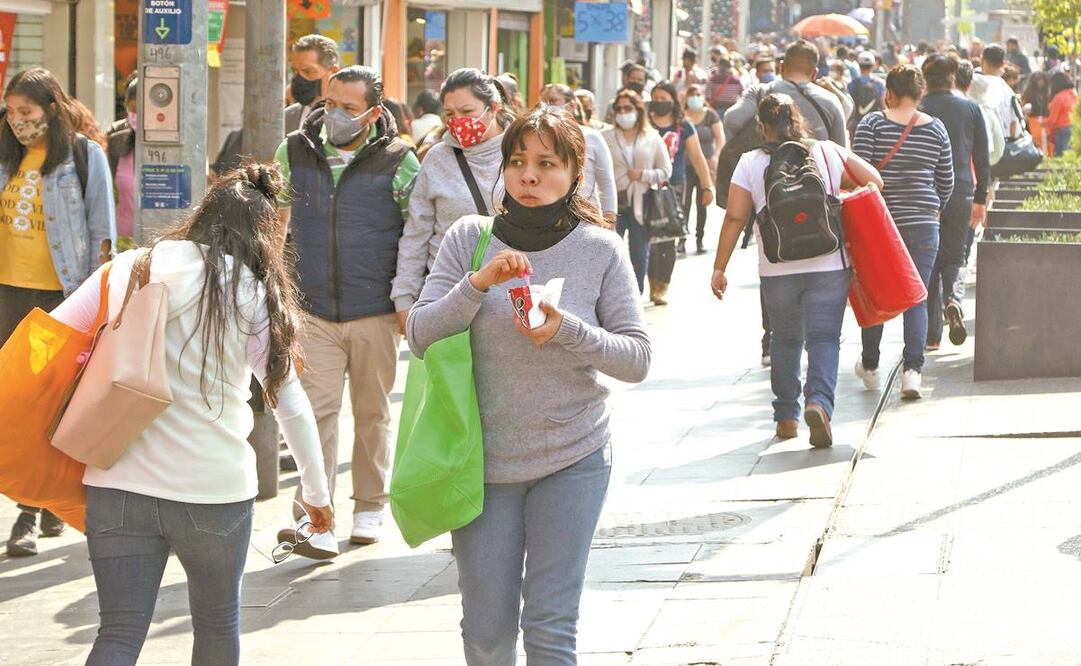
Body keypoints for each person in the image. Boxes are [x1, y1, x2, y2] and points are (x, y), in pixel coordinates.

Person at [56, 165, 333, 665]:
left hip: (118, 481)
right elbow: (289, 400)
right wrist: (316, 494)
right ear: (263, 235)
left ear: (203, 214)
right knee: (216, 625)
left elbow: (54, 337)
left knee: (117, 633)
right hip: (213, 491)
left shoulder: (129, 268)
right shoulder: (250, 291)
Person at [408, 107, 651, 665]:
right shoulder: (470, 238)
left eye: (546, 163)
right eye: (517, 162)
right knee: (487, 632)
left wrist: (566, 329)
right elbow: (419, 334)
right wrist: (476, 284)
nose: (529, 176)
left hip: (573, 456)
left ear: (575, 172)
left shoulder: (600, 249)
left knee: (550, 625)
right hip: (481, 461)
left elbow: (637, 359)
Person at [273, 65, 420, 556]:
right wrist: (277, 290)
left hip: (376, 309)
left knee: (373, 414)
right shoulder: (294, 151)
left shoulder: (400, 160)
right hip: (312, 309)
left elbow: (415, 235)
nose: (335, 114)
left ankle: (370, 507)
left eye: (348, 108)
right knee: (314, 414)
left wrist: (406, 298)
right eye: (330, 103)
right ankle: (314, 517)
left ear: (373, 113)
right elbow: (276, 224)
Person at [711, 94, 882, 446]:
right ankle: (819, 403)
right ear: (797, 119)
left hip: (777, 269)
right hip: (828, 264)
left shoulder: (750, 162)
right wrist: (842, 196)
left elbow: (735, 217)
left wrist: (719, 267)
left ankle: (786, 417)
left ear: (762, 127)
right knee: (824, 339)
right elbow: (875, 180)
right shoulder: (827, 152)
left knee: (785, 339)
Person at [1, 68, 115, 557]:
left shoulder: (85, 157)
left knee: (50, 406)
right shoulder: (6, 154)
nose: (17, 121)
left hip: (61, 300)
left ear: (51, 108)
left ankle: (33, 509)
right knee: (14, 406)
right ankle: (37, 502)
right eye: (10, 112)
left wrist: (98, 308)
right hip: (7, 295)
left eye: (26, 112)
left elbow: (102, 234)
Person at [723, 39, 850, 365]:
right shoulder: (828, 101)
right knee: (820, 271)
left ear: (781, 66)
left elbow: (732, 121)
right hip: (818, 207)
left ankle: (772, 337)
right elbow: (844, 152)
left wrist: (753, 95)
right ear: (815, 71)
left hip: (773, 197)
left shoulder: (764, 93)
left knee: (774, 253)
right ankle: (817, 340)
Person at [853, 65, 954, 400]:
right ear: (920, 92)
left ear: (889, 92)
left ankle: (870, 365)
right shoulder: (936, 128)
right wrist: (933, 208)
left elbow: (858, 176)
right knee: (916, 297)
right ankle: (912, 372)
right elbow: (946, 181)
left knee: (876, 294)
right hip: (924, 222)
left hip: (881, 224)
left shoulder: (872, 124)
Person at [392, 68, 513, 326]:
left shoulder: (521, 153)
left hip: (508, 296)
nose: (458, 121)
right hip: (446, 297)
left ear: (493, 108)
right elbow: (417, 232)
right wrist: (403, 296)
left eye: (467, 112)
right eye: (449, 114)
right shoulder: (437, 158)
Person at [920, 55, 991, 351]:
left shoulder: (918, 108)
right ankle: (954, 299)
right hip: (961, 189)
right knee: (955, 255)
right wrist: (981, 198)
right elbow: (982, 158)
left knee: (928, 259)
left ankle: (931, 335)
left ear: (925, 78)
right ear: (953, 77)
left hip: (925, 191)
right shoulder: (970, 108)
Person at [646, 81, 713, 304]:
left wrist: (706, 186)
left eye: (664, 99)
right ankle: (649, 282)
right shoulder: (643, 122)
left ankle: (662, 285)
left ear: (673, 101)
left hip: (673, 188)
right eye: (656, 98)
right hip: (645, 187)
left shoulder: (684, 126)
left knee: (668, 238)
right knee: (647, 238)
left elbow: (697, 157)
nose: (659, 102)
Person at [604, 89, 671, 295]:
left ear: (638, 110)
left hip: (642, 203)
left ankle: (636, 295)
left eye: (628, 108)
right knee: (609, 252)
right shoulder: (606, 137)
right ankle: (611, 296)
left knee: (639, 253)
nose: (623, 113)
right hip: (613, 204)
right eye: (619, 109)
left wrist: (643, 175)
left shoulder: (652, 137)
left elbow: (665, 171)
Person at [540, 83, 617, 223]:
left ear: (571, 106)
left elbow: (606, 183)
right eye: (543, 101)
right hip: (547, 217)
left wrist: (610, 219)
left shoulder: (592, 137)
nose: (546, 106)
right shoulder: (536, 138)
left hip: (586, 218)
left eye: (552, 101)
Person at [683, 83, 723, 254]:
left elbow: (720, 138)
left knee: (702, 203)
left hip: (704, 167)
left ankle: (699, 239)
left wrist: (716, 157)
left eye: (698, 94)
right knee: (684, 204)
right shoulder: (682, 117)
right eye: (691, 95)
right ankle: (682, 239)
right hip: (685, 165)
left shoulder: (710, 115)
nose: (695, 98)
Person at [284, 34, 340, 135]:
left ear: (333, 71)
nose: (299, 78)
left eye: (308, 71)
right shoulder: (286, 117)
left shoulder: (349, 118)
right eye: (295, 71)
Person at [106, 77, 138, 251]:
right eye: (133, 109)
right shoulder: (116, 144)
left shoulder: (180, 153)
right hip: (122, 243)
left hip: (163, 243)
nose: (137, 115)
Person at [979, 44, 1021, 139]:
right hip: (1006, 142)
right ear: (1003, 64)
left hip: (987, 142)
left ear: (983, 61)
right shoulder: (1007, 89)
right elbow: (1014, 121)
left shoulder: (978, 87)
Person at [848, 50, 886, 134]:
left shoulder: (852, 84)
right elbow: (883, 105)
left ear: (859, 65)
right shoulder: (880, 83)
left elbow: (850, 105)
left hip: (857, 125)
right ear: (873, 65)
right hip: (875, 124)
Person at [1021, 71, 1054, 153]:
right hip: (1033, 122)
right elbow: (1025, 107)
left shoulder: (1049, 92)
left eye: (1042, 80)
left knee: (1048, 143)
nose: (1040, 83)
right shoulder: (1029, 93)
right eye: (1038, 80)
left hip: (1046, 121)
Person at [1047, 71, 1077, 157]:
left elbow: (1052, 120)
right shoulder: (1074, 94)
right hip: (1073, 127)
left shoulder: (1058, 98)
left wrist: (1044, 125)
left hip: (1061, 130)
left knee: (1060, 155)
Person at [706, 52, 744, 117]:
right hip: (732, 110)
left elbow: (708, 96)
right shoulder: (736, 80)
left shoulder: (713, 79)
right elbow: (743, 95)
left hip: (717, 110)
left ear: (718, 66)